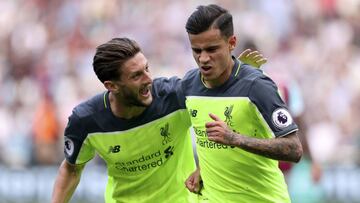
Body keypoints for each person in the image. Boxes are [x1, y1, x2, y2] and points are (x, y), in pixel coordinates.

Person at [51, 37, 265, 203]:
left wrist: (235, 78)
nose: (148, 79)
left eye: (147, 68)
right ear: (112, 86)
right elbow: (71, 169)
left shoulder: (174, 97)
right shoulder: (87, 121)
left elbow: (222, 111)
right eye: (136, 76)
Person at [183, 4, 303, 203]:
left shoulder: (257, 86)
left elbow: (294, 149)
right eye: (196, 50)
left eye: (212, 49)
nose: (203, 58)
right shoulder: (190, 85)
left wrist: (234, 138)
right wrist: (202, 169)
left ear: (231, 43)